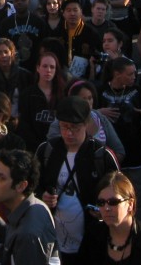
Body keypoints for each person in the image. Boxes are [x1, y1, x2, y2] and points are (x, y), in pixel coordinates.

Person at [36, 96, 121, 264]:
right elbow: (31, 187)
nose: (68, 132)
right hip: (53, 243)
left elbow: (121, 195)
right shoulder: (46, 151)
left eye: (74, 127)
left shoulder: (102, 155)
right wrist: (42, 196)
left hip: (92, 243)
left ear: (86, 124)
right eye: (64, 126)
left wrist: (103, 209)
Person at [0, 149, 58, 264]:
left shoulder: (28, 236)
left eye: (1, 178)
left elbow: (23, 238)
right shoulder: (36, 205)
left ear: (21, 186)